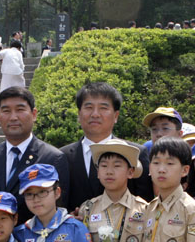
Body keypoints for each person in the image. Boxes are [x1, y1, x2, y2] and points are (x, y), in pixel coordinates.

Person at [0, 87, 69, 224]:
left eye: (20, 110)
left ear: (34, 114)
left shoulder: (53, 158)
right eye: (6, 111)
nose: (13, 117)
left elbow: (60, 209)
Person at [61, 82, 151, 211]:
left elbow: (145, 201)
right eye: (89, 107)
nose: (95, 114)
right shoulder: (62, 156)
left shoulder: (136, 152)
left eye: (103, 108)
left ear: (116, 116)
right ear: (79, 114)